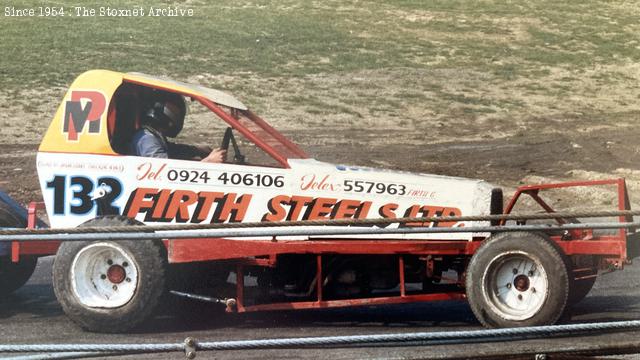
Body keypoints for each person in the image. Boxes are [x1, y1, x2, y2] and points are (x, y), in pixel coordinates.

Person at [130, 92, 226, 163]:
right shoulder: (147, 139)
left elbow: (172, 149)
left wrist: (196, 150)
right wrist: (208, 161)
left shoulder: (153, 135)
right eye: (175, 111)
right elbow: (163, 173)